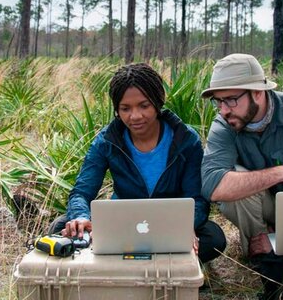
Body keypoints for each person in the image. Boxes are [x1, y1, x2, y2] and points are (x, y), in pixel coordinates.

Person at [53, 62, 226, 264]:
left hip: (170, 224)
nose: (135, 116)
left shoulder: (186, 139)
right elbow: (82, 192)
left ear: (158, 102)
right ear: (117, 109)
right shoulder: (107, 141)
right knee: (61, 227)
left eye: (144, 106)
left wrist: (186, 226)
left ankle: (129, 258)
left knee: (214, 238)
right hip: (123, 223)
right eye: (125, 108)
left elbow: (197, 199)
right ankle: (160, 257)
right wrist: (81, 217)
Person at [200, 53, 283, 261]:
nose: (223, 111)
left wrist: (280, 238)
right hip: (259, 209)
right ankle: (262, 256)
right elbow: (211, 186)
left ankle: (280, 249)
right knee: (233, 180)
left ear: (258, 92)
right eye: (218, 101)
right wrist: (280, 173)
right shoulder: (223, 124)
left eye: (231, 100)